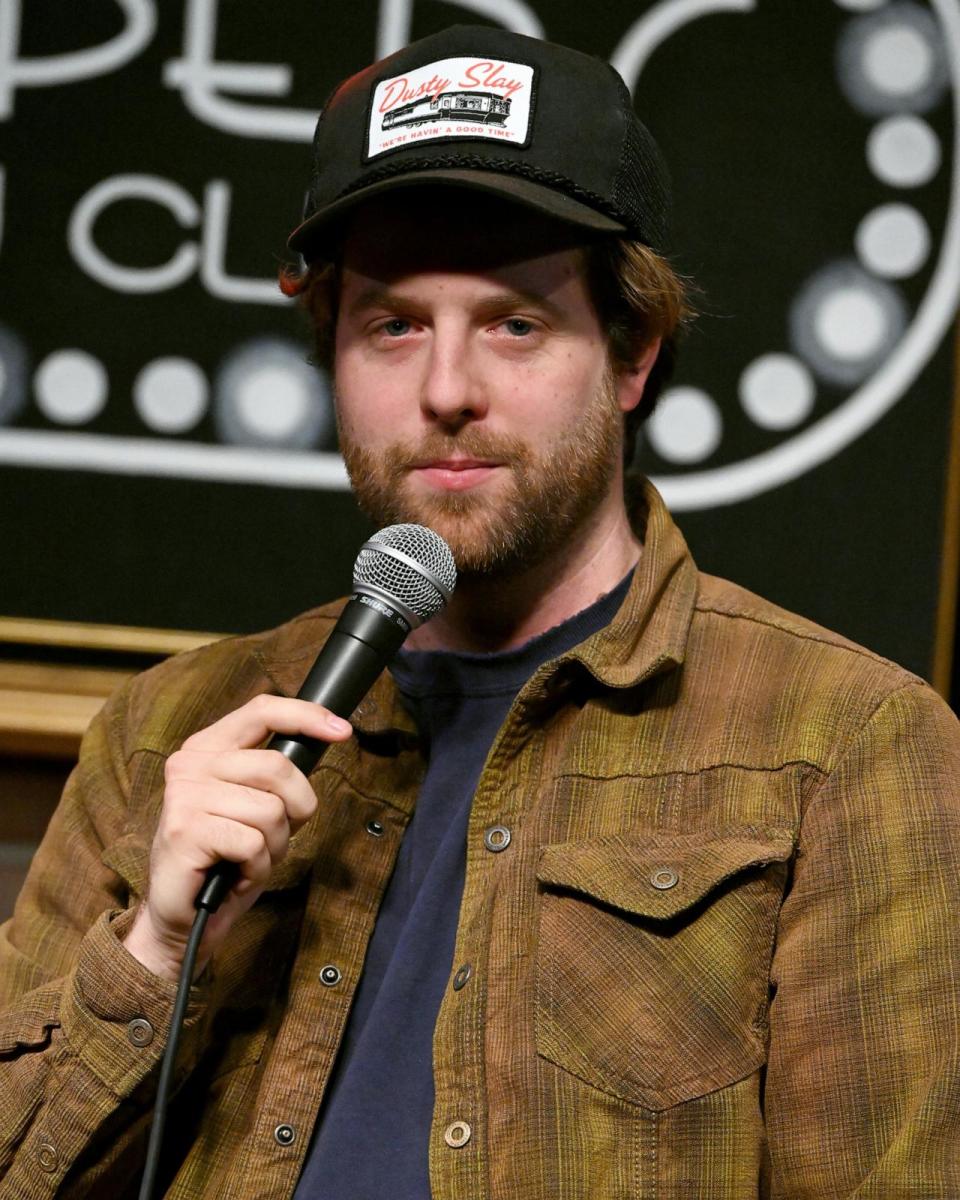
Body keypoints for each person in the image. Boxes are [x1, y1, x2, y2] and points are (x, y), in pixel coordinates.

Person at [1, 23, 959, 1200]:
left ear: (631, 355)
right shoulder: (165, 732)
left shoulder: (846, 745)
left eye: (515, 322)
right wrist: (154, 948)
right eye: (393, 325)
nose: (447, 391)